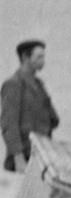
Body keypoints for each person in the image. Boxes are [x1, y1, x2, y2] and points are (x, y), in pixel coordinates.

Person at [2, 39, 58, 172]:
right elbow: (9, 124)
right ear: (25, 57)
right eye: (39, 57)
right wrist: (18, 158)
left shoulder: (39, 85)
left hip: (41, 154)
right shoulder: (13, 84)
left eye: (43, 56)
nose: (43, 61)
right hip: (23, 158)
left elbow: (54, 119)